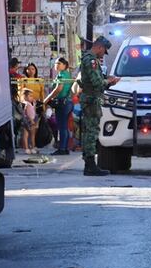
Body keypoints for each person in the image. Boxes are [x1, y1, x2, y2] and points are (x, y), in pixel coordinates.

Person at [78, 35, 121, 176]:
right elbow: (96, 82)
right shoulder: (91, 60)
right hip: (92, 100)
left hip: (90, 99)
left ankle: (89, 164)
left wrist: (106, 79)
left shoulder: (90, 59)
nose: (103, 54)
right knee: (91, 132)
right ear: (99, 47)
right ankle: (90, 166)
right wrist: (110, 82)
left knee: (88, 132)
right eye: (104, 51)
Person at [44, 57, 74, 156]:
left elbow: (58, 89)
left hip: (62, 103)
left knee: (61, 127)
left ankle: (62, 148)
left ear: (65, 65)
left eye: (59, 63)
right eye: (56, 63)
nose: (56, 65)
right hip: (68, 102)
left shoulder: (61, 75)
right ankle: (64, 148)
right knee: (64, 127)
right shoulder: (67, 74)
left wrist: (47, 99)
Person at [19, 88, 37, 154]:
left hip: (33, 119)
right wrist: (31, 120)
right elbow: (26, 113)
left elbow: (33, 111)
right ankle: (27, 148)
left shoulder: (31, 103)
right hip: (28, 121)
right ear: (25, 97)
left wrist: (34, 105)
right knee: (26, 135)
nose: (32, 97)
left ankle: (32, 147)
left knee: (32, 135)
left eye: (32, 96)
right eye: (30, 96)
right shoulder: (25, 103)